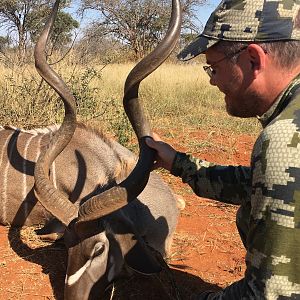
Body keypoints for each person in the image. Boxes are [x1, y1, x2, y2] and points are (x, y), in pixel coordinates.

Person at [145, 0, 300, 299]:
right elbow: (260, 185)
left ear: (254, 60)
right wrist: (178, 163)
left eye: (214, 68)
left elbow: (269, 295)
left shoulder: (285, 137)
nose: (213, 82)